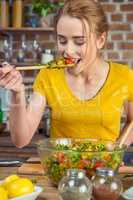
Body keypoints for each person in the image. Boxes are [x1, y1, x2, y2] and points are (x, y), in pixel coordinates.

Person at [0, 0, 133, 148]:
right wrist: (17, 92)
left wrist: (117, 149)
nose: (68, 51)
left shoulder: (124, 77)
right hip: (61, 167)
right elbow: (20, 140)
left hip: (103, 169)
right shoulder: (48, 76)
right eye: (62, 40)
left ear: (100, 40)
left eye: (79, 41)